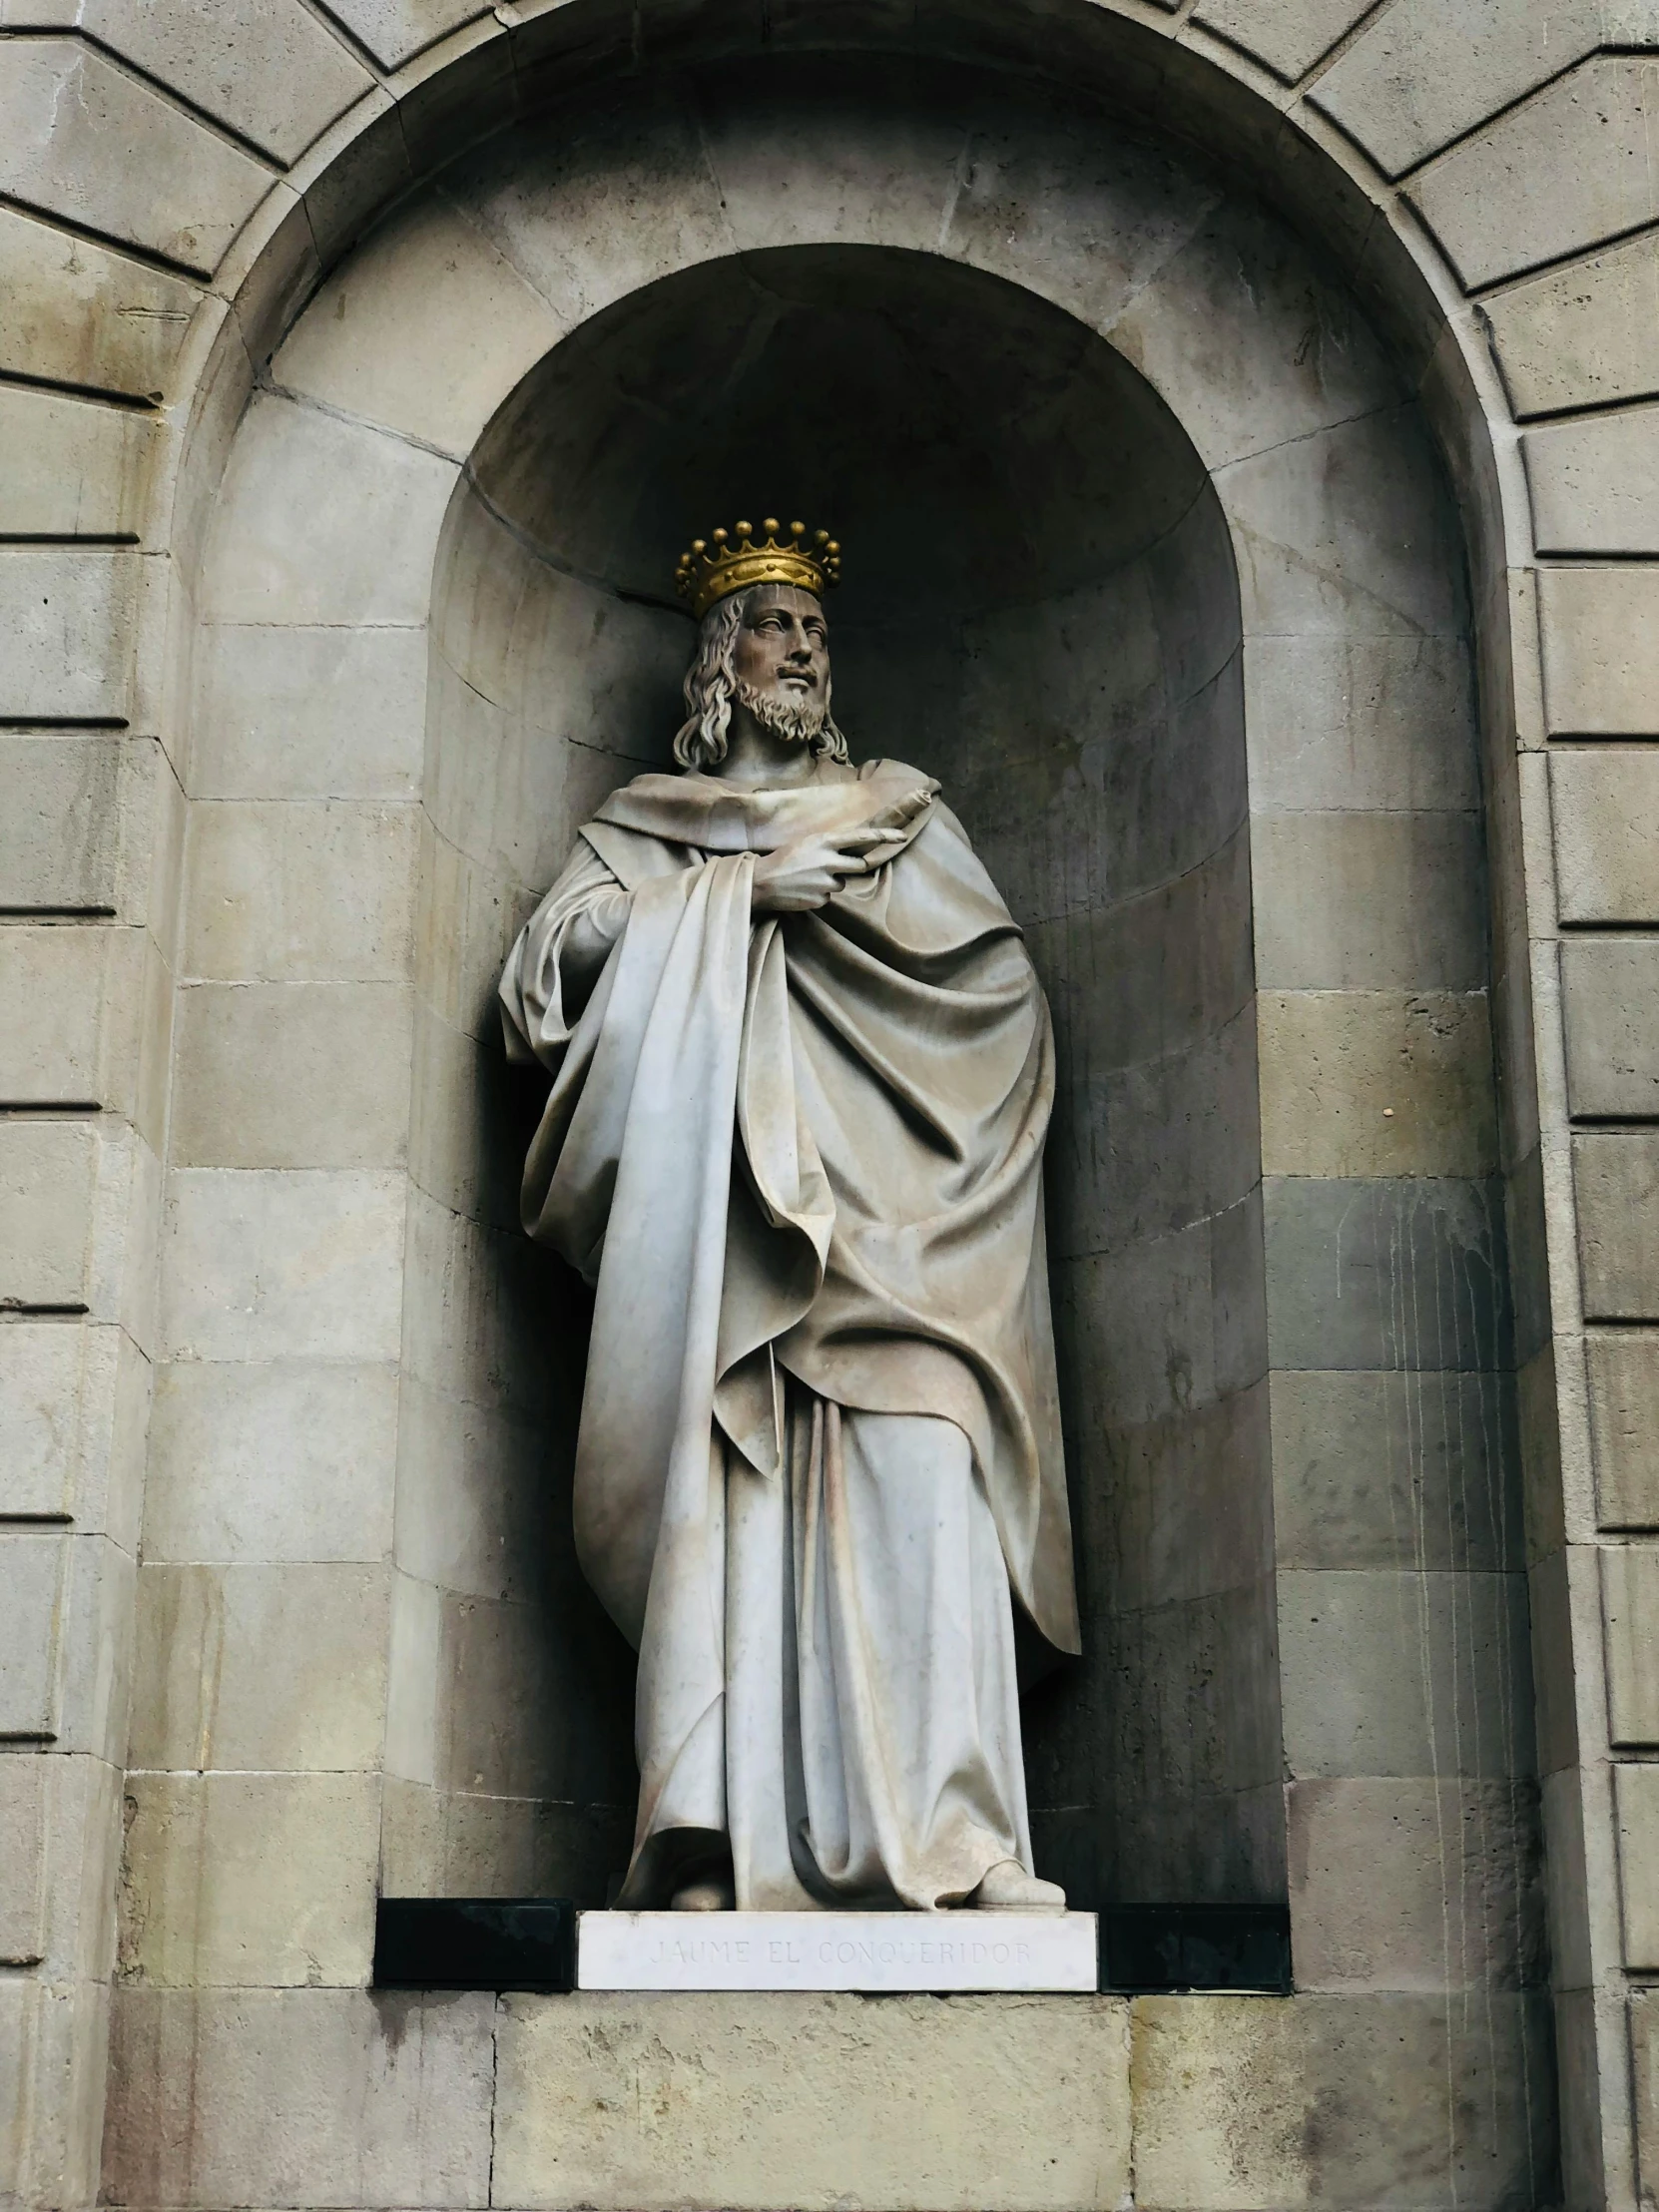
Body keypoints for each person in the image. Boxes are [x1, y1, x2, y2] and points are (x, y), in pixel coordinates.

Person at [499, 519, 1078, 1913]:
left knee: (924, 1498)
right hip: (722, 1236)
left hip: (905, 1236)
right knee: (727, 1516)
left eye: (815, 628)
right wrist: (735, 901)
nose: (802, 647)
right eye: (772, 623)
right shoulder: (648, 830)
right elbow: (538, 984)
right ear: (718, 658)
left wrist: (928, 1153)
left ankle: (960, 1841)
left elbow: (1000, 1004)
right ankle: (708, 1833)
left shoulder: (901, 815)